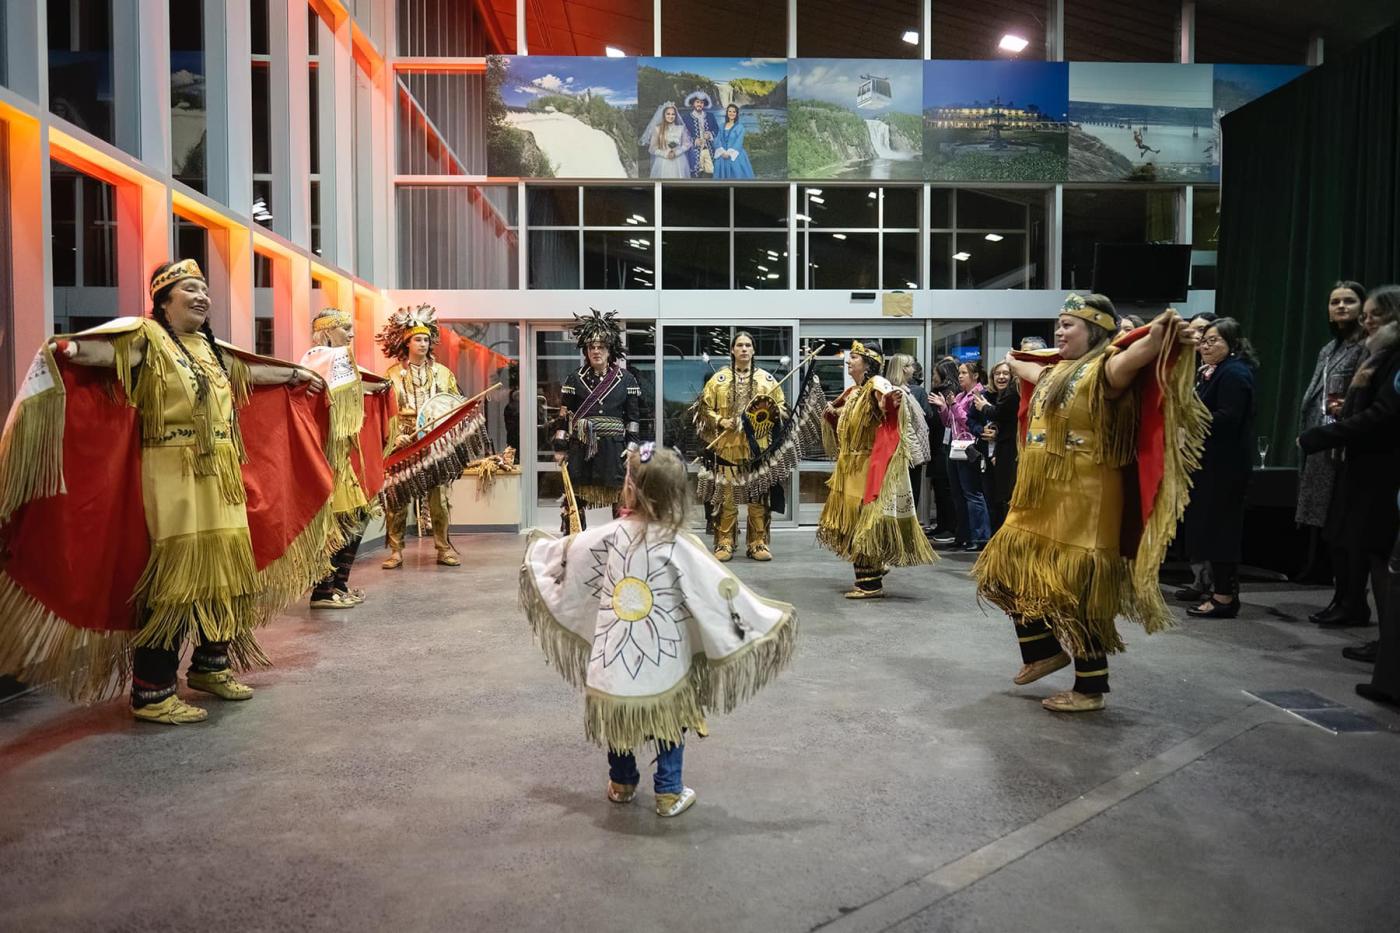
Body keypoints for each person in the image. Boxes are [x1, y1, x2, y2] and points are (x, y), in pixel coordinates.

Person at [0, 259, 332, 723]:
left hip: (222, 476)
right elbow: (103, 355)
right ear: (164, 300)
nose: (202, 297)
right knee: (173, 583)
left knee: (228, 574)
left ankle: (211, 666)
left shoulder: (212, 349)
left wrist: (297, 376)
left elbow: (252, 373)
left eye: (204, 290)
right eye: (190, 289)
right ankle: (152, 692)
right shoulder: (147, 339)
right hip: (170, 476)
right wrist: (69, 348)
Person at [520, 445, 796, 817]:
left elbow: (570, 554)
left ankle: (622, 784)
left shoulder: (610, 535)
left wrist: (540, 549)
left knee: (620, 722)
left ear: (630, 490)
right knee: (670, 720)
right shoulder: (680, 544)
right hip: (663, 656)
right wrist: (763, 616)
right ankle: (669, 792)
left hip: (615, 655)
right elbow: (716, 589)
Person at [973, 294, 1207, 713]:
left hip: (1087, 496)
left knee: (1080, 594)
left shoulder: (1106, 370)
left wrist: (1158, 334)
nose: (1059, 331)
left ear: (1095, 331)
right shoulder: (1052, 371)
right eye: (1058, 324)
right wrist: (1036, 354)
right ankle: (1042, 651)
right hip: (1039, 496)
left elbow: (1138, 354)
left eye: (1069, 325)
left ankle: (1090, 688)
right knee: (1002, 572)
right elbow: (1016, 359)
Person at [1300, 286, 1400, 634]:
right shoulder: (1341, 350)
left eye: (1374, 313)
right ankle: (1345, 601)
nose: (1366, 319)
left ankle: (1376, 629)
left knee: (1368, 546)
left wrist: (1328, 433)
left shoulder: (1382, 354)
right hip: (1346, 455)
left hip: (1375, 464)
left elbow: (1384, 413)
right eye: (1335, 302)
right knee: (1342, 535)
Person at [817, 341, 936, 598]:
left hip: (866, 468)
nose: (849, 361)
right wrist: (834, 414)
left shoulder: (877, 384)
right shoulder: (854, 392)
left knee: (864, 522)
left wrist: (888, 405)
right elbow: (852, 422)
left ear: (868, 363)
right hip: (851, 467)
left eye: (855, 357)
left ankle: (869, 583)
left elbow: (889, 404)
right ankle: (874, 568)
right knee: (854, 522)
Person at [300, 308, 392, 609]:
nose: (352, 334)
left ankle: (339, 585)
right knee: (337, 521)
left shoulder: (340, 361)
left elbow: (349, 390)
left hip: (346, 456)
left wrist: (374, 388)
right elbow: (332, 396)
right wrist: (369, 388)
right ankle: (323, 591)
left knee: (357, 516)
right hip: (330, 456)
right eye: (346, 328)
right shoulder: (318, 357)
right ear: (327, 331)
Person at [1181, 318, 1259, 618]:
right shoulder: (1210, 372)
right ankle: (1217, 591)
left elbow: (1227, 417)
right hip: (1209, 465)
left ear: (1233, 343)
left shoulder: (1235, 373)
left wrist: (1189, 420)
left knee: (1222, 532)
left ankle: (1224, 597)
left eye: (1213, 340)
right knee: (1210, 531)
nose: (1205, 345)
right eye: (1203, 339)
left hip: (1225, 468)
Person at [1295, 281, 1368, 589]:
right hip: (1322, 441)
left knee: (1344, 525)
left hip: (1346, 446)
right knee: (1327, 523)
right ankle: (1332, 586)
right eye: (1334, 301)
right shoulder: (1329, 348)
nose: (1340, 306)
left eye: (1349, 301)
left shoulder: (1365, 347)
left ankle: (1351, 596)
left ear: (1363, 307)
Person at [377, 304, 461, 570]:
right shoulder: (391, 375)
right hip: (405, 442)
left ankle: (443, 547)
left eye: (426, 339)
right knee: (398, 498)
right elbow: (385, 410)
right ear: (407, 342)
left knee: (440, 500)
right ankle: (396, 550)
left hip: (435, 443)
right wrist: (394, 438)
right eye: (418, 339)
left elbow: (452, 404)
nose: (423, 344)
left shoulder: (444, 373)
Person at [695, 331, 785, 561]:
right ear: (733, 350)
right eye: (739, 345)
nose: (744, 349)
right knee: (728, 496)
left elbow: (782, 410)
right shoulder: (719, 380)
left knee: (758, 497)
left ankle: (758, 542)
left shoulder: (767, 380)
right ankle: (725, 542)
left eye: (748, 345)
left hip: (758, 448)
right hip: (727, 447)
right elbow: (704, 409)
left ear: (753, 350)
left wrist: (765, 417)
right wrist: (720, 420)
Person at [552, 309, 641, 531]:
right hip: (582, 450)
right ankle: (574, 543)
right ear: (586, 350)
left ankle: (622, 545)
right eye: (591, 347)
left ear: (610, 349)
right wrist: (560, 447)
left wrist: (631, 446)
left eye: (601, 346)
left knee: (620, 500)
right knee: (575, 500)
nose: (596, 351)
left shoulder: (626, 379)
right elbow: (564, 415)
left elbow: (633, 418)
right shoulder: (575, 378)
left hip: (614, 449)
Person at [931, 359, 993, 552]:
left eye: (964, 373)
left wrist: (954, 406)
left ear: (975, 376)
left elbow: (968, 422)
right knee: (958, 494)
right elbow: (949, 423)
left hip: (971, 449)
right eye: (959, 373)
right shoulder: (960, 395)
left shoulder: (979, 395)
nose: (960, 376)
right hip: (955, 447)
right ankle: (963, 534)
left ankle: (980, 536)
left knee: (972, 493)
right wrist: (944, 406)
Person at [976, 360, 1020, 532]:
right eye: (997, 374)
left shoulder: (1013, 393)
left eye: (1005, 373)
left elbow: (1001, 413)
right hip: (996, 451)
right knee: (995, 496)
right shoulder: (994, 394)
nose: (1001, 377)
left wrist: (984, 407)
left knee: (1006, 496)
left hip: (1010, 452)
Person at [888, 354, 931, 518]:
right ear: (904, 369)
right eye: (911, 365)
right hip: (909, 455)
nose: (914, 369)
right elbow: (907, 428)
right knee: (909, 497)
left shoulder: (904, 391)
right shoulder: (900, 393)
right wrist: (918, 456)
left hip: (909, 453)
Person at [925, 357, 962, 545]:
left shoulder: (950, 394)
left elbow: (948, 420)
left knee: (946, 489)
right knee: (939, 489)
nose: (932, 377)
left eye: (935, 374)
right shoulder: (939, 392)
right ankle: (942, 524)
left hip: (945, 446)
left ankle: (949, 526)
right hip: (938, 445)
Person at [640, 102, 693, 180]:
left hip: (679, 160)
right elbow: (652, 148)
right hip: (663, 161)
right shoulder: (657, 129)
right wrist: (665, 154)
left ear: (676, 115)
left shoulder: (681, 128)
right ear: (664, 115)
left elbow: (687, 143)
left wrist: (677, 152)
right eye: (668, 114)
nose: (670, 116)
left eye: (673, 114)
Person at [682, 91, 720, 178]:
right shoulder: (686, 118)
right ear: (693, 103)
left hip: (709, 150)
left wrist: (710, 134)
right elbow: (683, 135)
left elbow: (716, 129)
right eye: (697, 102)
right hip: (694, 151)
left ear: (704, 104)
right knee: (695, 174)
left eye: (702, 102)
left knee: (711, 173)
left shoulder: (710, 116)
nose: (699, 104)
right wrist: (694, 140)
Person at [713, 104, 755, 180]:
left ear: (736, 114)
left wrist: (729, 153)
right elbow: (717, 139)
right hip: (722, 154)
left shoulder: (740, 127)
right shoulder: (721, 126)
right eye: (729, 111)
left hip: (735, 155)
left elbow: (739, 142)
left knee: (737, 175)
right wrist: (722, 152)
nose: (731, 113)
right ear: (727, 113)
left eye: (734, 112)